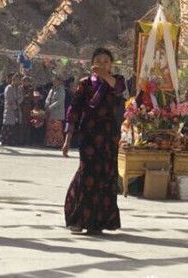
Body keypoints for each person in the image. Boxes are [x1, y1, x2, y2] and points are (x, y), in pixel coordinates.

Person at [62, 48, 127, 235]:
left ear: (111, 64)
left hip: (109, 136)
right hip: (89, 135)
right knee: (87, 173)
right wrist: (68, 138)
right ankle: (78, 219)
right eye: (98, 61)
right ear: (92, 64)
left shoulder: (117, 80)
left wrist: (104, 76)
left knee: (106, 175)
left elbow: (119, 90)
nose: (102, 64)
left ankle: (98, 222)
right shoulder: (85, 84)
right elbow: (74, 111)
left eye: (106, 61)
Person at [44, 75, 67, 148]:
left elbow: (59, 101)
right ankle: (50, 143)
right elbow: (48, 98)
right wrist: (47, 104)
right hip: (50, 112)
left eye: (55, 80)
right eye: (53, 80)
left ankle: (57, 143)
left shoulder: (61, 90)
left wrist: (51, 107)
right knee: (50, 128)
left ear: (60, 81)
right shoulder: (52, 89)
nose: (54, 82)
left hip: (57, 112)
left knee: (56, 128)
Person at [0, 73, 22, 147]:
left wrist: (17, 102)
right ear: (13, 80)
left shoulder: (18, 88)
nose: (18, 81)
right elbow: (9, 99)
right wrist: (14, 106)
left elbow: (21, 97)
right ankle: (3, 140)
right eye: (17, 80)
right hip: (10, 109)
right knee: (7, 125)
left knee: (14, 126)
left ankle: (12, 141)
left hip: (17, 108)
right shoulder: (8, 88)